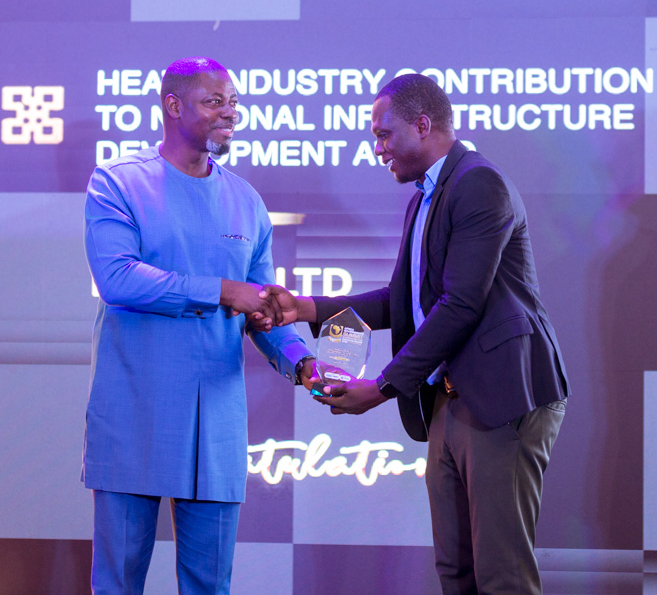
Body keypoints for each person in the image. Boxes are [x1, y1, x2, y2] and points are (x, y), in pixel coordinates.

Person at [258, 73, 570, 594]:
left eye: (384, 135)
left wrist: (381, 388)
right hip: (450, 400)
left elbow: (461, 305)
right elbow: (402, 298)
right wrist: (305, 308)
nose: (378, 149)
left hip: (502, 398)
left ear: (423, 125)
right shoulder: (425, 196)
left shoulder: (479, 184)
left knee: (502, 578)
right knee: (456, 573)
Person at [83, 57, 316, 595]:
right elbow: (117, 278)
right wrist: (221, 290)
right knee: (117, 585)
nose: (230, 113)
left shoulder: (246, 201)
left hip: (216, 425)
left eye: (234, 103)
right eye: (215, 102)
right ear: (173, 105)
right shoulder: (118, 182)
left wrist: (303, 362)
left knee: (210, 587)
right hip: (134, 417)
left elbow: (263, 309)